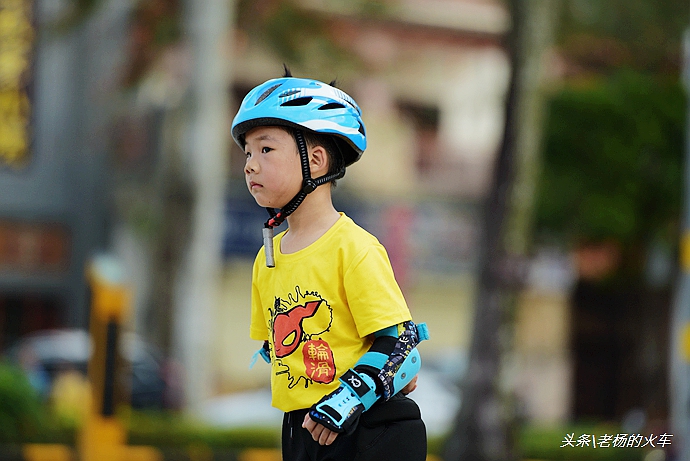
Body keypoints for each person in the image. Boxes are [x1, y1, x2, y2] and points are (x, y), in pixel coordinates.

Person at [232, 68, 429, 461]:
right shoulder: (265, 258)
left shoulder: (353, 247)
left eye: (266, 149)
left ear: (317, 161)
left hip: (365, 430)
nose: (250, 164)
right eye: (248, 152)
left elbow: (402, 346)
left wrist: (349, 398)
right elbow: (279, 352)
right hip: (302, 430)